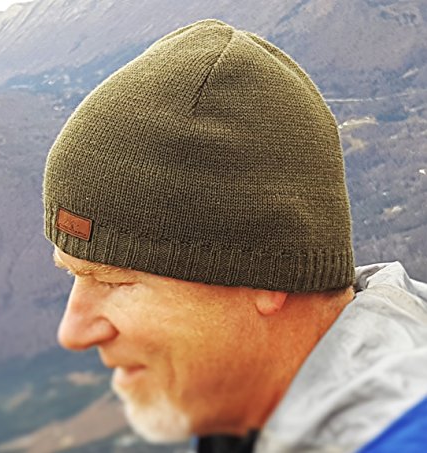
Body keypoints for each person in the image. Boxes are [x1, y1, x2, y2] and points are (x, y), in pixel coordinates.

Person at [42, 18, 427, 452]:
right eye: (73, 273)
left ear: (268, 277)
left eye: (117, 281)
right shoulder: (244, 411)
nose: (73, 331)